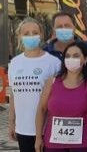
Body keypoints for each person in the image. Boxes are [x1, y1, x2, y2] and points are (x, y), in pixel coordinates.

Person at [35, 42, 87, 152]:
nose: (71, 59)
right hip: (54, 144)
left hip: (84, 144)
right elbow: (41, 109)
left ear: (85, 59)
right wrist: (38, 138)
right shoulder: (52, 81)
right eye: (68, 56)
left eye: (76, 56)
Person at [8, 18, 61, 152]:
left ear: (41, 34)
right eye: (26, 34)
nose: (31, 36)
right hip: (23, 129)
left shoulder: (53, 63)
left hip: (47, 129)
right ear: (19, 37)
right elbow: (14, 95)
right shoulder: (14, 63)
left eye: (34, 32)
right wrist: (11, 123)